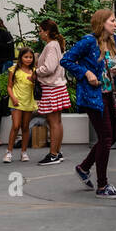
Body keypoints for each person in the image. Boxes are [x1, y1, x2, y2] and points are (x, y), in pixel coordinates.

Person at [62, 8, 116, 199]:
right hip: (93, 97)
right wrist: (85, 73)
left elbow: (111, 67)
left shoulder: (112, 42)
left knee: (111, 137)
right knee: (106, 137)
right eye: (112, 21)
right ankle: (102, 185)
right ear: (102, 22)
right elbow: (66, 60)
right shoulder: (89, 41)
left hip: (108, 94)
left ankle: (84, 168)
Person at [35, 19, 70, 164]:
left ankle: (54, 153)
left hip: (51, 87)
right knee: (57, 121)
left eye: (40, 30)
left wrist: (36, 72)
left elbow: (49, 67)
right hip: (58, 86)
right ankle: (57, 151)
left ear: (46, 31)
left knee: (53, 121)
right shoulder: (56, 45)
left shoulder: (51, 46)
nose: (39, 33)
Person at [3, 47, 38, 162]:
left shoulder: (34, 71)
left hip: (28, 102)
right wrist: (13, 98)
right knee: (16, 126)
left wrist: (34, 80)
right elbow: (9, 86)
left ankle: (24, 152)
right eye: (25, 57)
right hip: (16, 101)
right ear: (20, 57)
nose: (28, 59)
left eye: (30, 57)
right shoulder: (14, 69)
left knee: (25, 127)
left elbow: (37, 86)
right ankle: (9, 152)